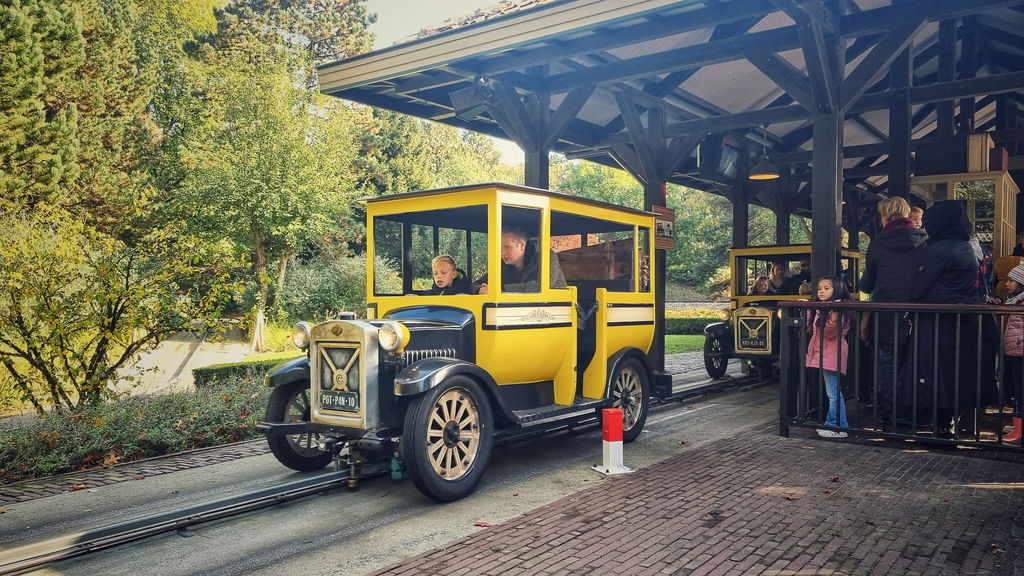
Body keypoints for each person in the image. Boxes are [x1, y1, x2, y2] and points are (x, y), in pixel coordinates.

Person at [908, 200, 997, 439]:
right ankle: (954, 425)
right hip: (963, 321)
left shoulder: (939, 249)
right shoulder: (966, 247)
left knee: (938, 374)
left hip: (939, 323)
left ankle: (942, 429)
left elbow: (919, 287)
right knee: (957, 373)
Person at [858, 196, 928, 427]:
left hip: (886, 316)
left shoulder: (878, 244)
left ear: (885, 217)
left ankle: (889, 414)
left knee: (887, 366)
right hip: (920, 315)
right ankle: (912, 412)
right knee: (915, 365)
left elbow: (866, 284)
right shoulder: (924, 241)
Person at [805, 275, 853, 438]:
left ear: (837, 290)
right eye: (819, 288)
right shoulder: (823, 308)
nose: (821, 291)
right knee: (833, 392)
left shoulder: (837, 310)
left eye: (827, 288)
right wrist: (807, 307)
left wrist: (834, 317)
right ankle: (836, 424)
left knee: (833, 393)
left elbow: (829, 333)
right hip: (827, 353)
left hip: (831, 353)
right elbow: (808, 327)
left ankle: (837, 426)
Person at [478, 224, 567, 294]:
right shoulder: (502, 263)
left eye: (507, 247)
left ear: (521, 245)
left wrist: (498, 290)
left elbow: (539, 288)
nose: (502, 253)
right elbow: (477, 284)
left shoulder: (546, 257)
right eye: (500, 248)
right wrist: (480, 290)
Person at [1001, 263, 1024, 445]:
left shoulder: (1019, 303)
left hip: (1020, 351)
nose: (1007, 283)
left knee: (1021, 390)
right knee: (1018, 389)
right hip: (1016, 350)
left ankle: (1020, 431)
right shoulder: (1015, 300)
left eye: (1011, 280)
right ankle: (1018, 424)